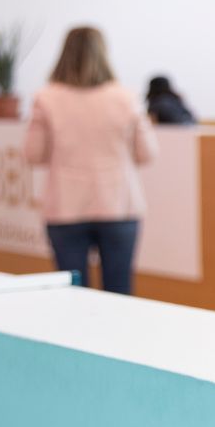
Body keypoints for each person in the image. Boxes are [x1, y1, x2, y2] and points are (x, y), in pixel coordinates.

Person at [24, 26, 157, 294]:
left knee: (73, 295)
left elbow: (33, 154)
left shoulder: (46, 99)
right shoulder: (126, 98)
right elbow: (147, 153)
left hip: (65, 207)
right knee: (119, 293)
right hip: (119, 206)